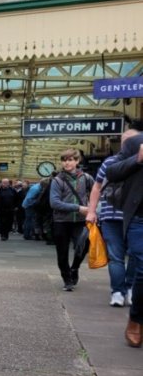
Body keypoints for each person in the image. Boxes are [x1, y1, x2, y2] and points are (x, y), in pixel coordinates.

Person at [86, 128, 139, 307]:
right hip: (117, 215)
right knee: (123, 256)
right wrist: (91, 211)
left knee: (130, 255)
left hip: (131, 216)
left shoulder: (110, 161)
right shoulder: (111, 162)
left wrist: (92, 211)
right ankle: (121, 290)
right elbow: (97, 187)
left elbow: (96, 187)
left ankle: (124, 290)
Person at [105, 131, 143, 347]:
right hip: (140, 216)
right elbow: (111, 172)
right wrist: (137, 159)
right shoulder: (136, 143)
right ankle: (136, 318)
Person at [50, 148, 94, 291]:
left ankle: (74, 267)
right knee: (62, 252)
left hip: (80, 221)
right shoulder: (57, 180)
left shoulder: (86, 178)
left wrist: (93, 210)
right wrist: (78, 208)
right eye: (64, 160)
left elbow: (96, 194)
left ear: (77, 161)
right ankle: (67, 279)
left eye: (70, 160)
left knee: (84, 246)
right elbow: (54, 202)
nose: (67, 163)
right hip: (61, 221)